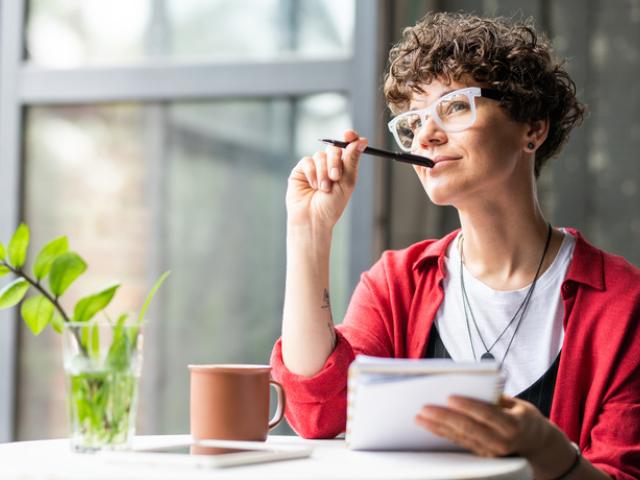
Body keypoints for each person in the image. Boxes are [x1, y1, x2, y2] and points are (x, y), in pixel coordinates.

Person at [270, 12, 640, 480]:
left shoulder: (625, 304)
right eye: (414, 120)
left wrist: (547, 450)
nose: (425, 135)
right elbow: (318, 416)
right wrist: (309, 232)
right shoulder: (396, 284)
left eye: (455, 106)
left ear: (533, 128)